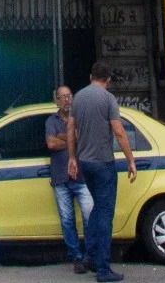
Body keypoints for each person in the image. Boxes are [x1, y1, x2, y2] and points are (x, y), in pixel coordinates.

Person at [67, 64, 136, 283]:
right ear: (107, 79)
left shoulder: (78, 98)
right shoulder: (108, 99)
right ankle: (103, 269)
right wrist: (131, 161)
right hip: (104, 163)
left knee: (97, 210)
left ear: (90, 76)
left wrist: (72, 157)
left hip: (85, 163)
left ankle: (90, 257)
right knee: (105, 214)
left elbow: (70, 129)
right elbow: (119, 131)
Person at [46, 85, 94, 273]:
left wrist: (63, 138)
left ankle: (91, 256)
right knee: (67, 220)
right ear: (56, 100)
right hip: (60, 178)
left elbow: (85, 141)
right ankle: (77, 257)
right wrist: (72, 138)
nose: (67, 100)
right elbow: (51, 143)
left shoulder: (80, 119)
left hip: (82, 177)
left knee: (89, 216)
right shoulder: (51, 120)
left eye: (69, 96)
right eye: (62, 97)